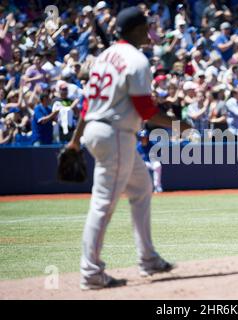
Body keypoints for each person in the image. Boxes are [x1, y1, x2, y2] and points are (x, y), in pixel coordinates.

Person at [65, 6, 190, 290]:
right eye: (146, 26)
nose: (149, 30)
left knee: (142, 188)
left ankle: (148, 258)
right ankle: (91, 273)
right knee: (103, 204)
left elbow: (87, 105)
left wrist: (75, 139)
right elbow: (145, 109)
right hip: (115, 133)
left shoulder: (103, 57)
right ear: (135, 29)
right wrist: (178, 125)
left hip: (99, 130)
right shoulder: (136, 60)